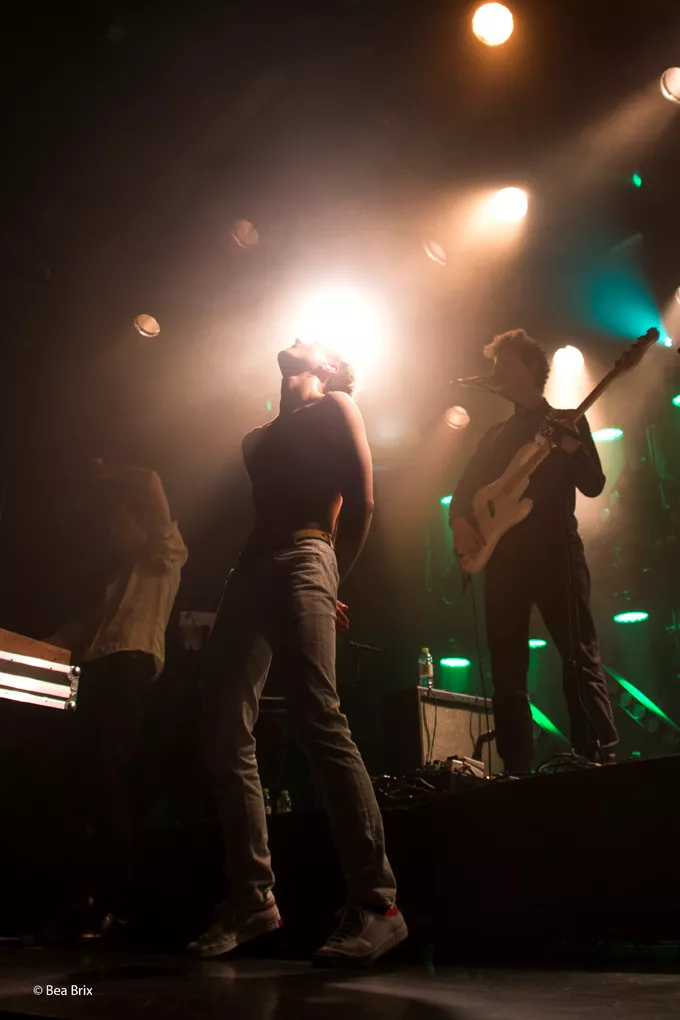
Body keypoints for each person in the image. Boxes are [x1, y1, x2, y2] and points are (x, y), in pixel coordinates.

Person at [190, 339, 406, 966]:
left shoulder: (337, 405)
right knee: (222, 728)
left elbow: (362, 501)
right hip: (248, 573)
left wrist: (333, 580)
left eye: (312, 339)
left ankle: (378, 904)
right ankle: (252, 899)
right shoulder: (254, 439)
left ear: (329, 367)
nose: (297, 337)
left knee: (318, 716)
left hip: (308, 555)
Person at [449, 329, 618, 774]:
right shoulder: (494, 435)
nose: (497, 372)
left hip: (556, 550)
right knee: (507, 672)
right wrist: (460, 523)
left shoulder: (565, 420)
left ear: (530, 367)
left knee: (578, 656)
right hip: (504, 559)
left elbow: (594, 484)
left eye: (505, 363)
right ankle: (516, 769)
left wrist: (573, 449)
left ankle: (596, 756)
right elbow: (463, 493)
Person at [46, 461, 188, 939]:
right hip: (94, 672)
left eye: (119, 522)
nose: (112, 531)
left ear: (140, 522)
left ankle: (114, 904)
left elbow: (151, 481)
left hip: (127, 667)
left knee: (104, 777)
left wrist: (106, 473)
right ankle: (83, 900)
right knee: (79, 780)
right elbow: (77, 631)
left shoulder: (166, 554)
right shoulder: (114, 581)